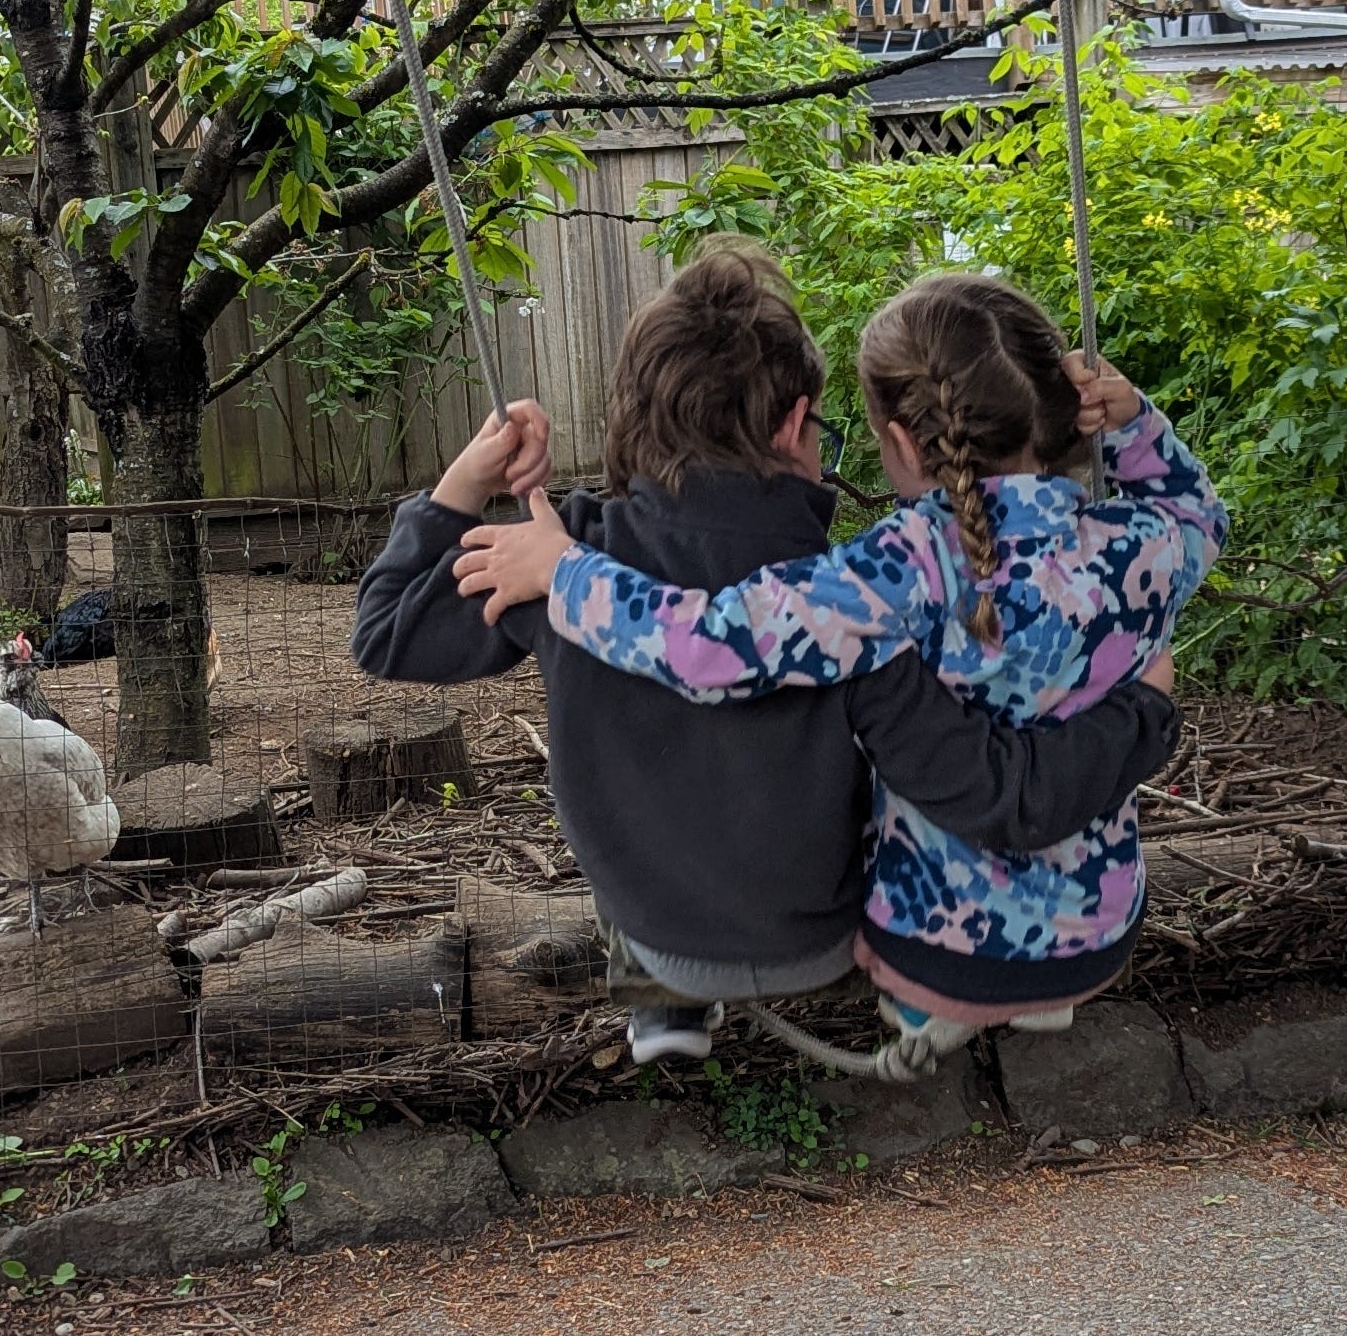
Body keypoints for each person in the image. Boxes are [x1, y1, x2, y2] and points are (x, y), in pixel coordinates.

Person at [354, 243, 1183, 1068]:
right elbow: (967, 760)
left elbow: (386, 630)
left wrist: (469, 477)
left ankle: (659, 998)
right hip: (820, 937)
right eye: (822, 427)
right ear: (793, 424)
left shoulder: (562, 551)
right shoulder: (841, 587)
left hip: (660, 927)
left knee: (624, 794)